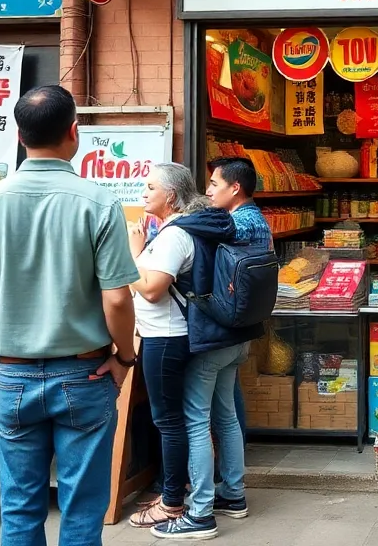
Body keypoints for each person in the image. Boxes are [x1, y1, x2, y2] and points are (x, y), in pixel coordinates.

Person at [0, 86, 140, 546]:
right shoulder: (98, 202)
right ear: (74, 133)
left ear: (20, 136)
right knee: (82, 508)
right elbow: (117, 300)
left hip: (14, 373)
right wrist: (125, 357)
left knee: (18, 507)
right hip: (86, 373)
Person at [152, 182, 252, 540]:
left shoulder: (182, 233)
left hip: (209, 340)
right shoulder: (226, 225)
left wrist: (137, 251)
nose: (211, 190)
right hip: (236, 336)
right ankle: (234, 495)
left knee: (196, 421)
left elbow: (153, 287)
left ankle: (200, 513)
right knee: (226, 417)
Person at [125, 164, 208, 528]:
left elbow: (154, 289)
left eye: (150, 187)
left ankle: (172, 501)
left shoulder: (174, 236)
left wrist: (131, 254)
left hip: (167, 336)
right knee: (171, 419)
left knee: (168, 421)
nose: (144, 193)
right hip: (164, 334)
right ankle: (175, 489)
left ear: (170, 196)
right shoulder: (168, 231)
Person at [204, 156, 272, 473]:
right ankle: (234, 464)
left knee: (219, 404)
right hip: (245, 317)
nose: (208, 191)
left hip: (230, 317)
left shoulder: (239, 223)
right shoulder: (252, 218)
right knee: (230, 395)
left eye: (214, 184)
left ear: (235, 188)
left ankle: (229, 467)